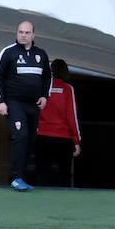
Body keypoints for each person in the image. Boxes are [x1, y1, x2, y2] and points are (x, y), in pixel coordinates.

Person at [0, 21, 52, 192]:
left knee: (30, 140)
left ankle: (20, 177)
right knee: (21, 135)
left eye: (27, 32)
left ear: (33, 35)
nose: (23, 35)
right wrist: (0, 101)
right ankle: (16, 177)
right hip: (14, 102)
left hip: (33, 105)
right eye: (20, 32)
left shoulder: (41, 54)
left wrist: (44, 96)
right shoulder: (8, 52)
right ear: (16, 33)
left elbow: (48, 76)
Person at [34, 59, 80, 187]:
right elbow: (72, 116)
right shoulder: (67, 89)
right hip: (63, 138)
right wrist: (76, 141)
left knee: (42, 173)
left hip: (42, 135)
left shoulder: (40, 87)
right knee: (64, 174)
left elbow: (33, 111)